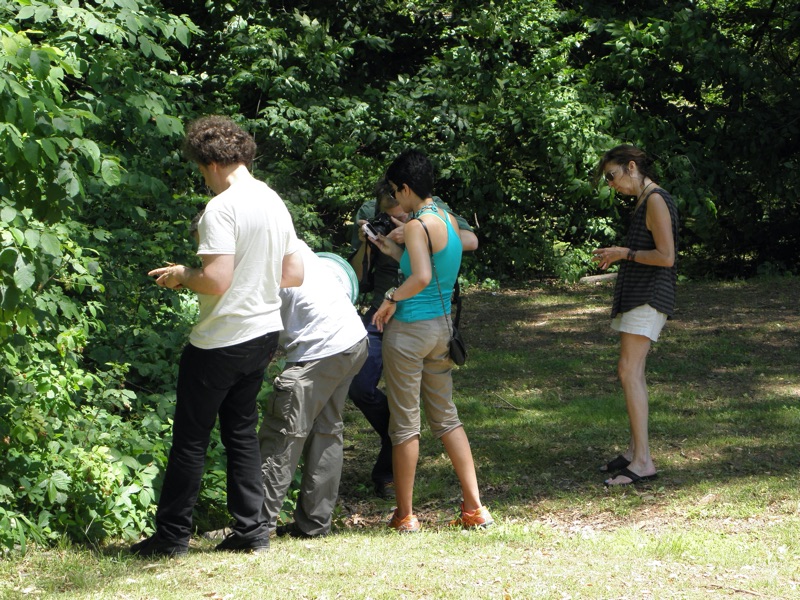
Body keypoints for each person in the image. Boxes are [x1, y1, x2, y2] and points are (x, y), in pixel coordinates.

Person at [131, 115, 304, 557]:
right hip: (265, 332)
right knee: (241, 433)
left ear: (208, 163)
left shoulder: (221, 208)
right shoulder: (272, 200)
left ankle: (171, 537)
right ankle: (252, 532)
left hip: (220, 339)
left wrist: (181, 274)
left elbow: (216, 279)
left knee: (191, 438)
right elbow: (293, 272)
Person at [371, 149, 493, 532]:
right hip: (441, 328)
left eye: (395, 190)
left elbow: (420, 277)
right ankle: (474, 507)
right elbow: (431, 267)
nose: (394, 198)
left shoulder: (414, 225)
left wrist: (391, 298)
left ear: (405, 188)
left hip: (409, 332)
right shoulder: (444, 219)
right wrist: (389, 250)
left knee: (405, 425)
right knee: (447, 418)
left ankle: (405, 515)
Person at [348, 180, 478, 499]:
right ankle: (471, 504)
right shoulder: (370, 212)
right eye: (392, 213)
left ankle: (396, 489)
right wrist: (371, 242)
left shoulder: (431, 215)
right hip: (383, 313)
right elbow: (356, 274)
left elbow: (469, 240)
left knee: (419, 420)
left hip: (414, 316)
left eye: (402, 211)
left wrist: (413, 234)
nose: (399, 215)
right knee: (362, 387)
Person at [258, 242, 368, 539]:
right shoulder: (286, 238)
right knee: (326, 431)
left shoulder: (256, 254)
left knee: (283, 432)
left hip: (322, 347)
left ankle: (256, 526)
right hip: (352, 339)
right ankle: (314, 524)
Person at [592, 144, 679, 486]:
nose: (611, 184)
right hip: (641, 296)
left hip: (649, 297)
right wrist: (620, 256)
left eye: (612, 176)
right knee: (633, 372)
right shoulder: (647, 200)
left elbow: (667, 256)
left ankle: (643, 461)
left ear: (631, 167)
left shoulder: (656, 199)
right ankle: (634, 451)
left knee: (629, 371)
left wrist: (623, 253)